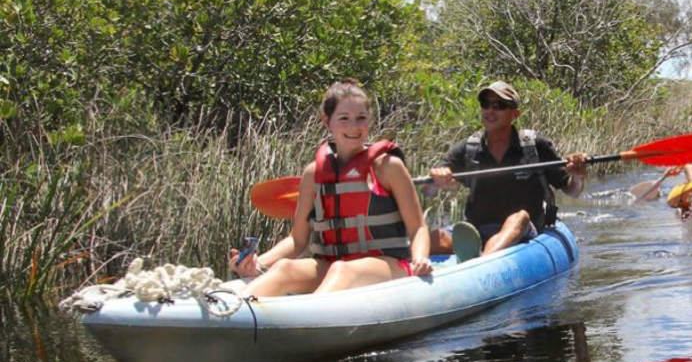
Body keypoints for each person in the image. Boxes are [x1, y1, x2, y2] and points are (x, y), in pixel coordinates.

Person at [229, 79, 432, 297]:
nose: (354, 126)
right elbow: (297, 240)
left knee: (343, 270)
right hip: (331, 265)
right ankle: (236, 309)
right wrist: (258, 263)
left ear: (370, 120)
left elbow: (418, 227)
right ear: (327, 122)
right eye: (344, 118)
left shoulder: (388, 167)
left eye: (361, 118)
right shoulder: (313, 174)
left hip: (388, 266)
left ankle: (309, 315)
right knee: (284, 268)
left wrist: (420, 257)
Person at [428, 81, 588, 261]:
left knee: (519, 217)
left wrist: (577, 176)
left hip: (524, 229)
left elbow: (572, 190)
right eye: (486, 105)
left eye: (499, 106)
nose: (490, 111)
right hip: (477, 230)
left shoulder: (536, 146)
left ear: (515, 114)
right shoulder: (467, 149)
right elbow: (428, 190)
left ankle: (483, 261)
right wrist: (438, 179)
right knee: (431, 239)